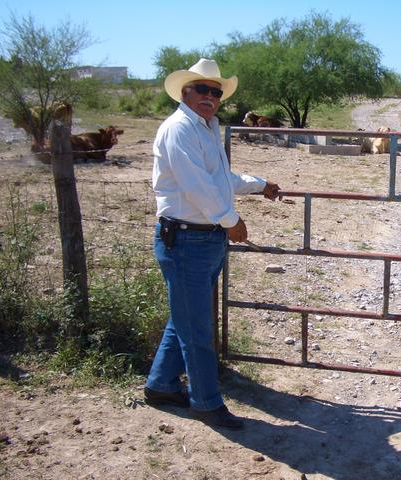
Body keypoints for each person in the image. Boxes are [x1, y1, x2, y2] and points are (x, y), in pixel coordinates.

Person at [144, 58, 281, 429]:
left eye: (215, 91)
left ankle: (160, 385)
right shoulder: (178, 129)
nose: (209, 96)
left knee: (187, 320)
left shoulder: (205, 129)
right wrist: (231, 221)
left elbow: (220, 178)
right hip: (187, 239)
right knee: (197, 329)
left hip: (202, 239)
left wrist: (259, 183)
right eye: (201, 89)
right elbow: (196, 185)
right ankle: (205, 403)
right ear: (184, 92)